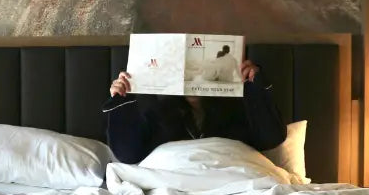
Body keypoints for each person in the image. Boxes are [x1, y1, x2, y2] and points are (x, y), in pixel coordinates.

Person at [102, 58, 285, 164]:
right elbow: (128, 154)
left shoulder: (237, 110)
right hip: (170, 188)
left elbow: (271, 138)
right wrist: (123, 100)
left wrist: (255, 86)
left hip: (234, 182)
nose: (192, 77)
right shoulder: (156, 114)